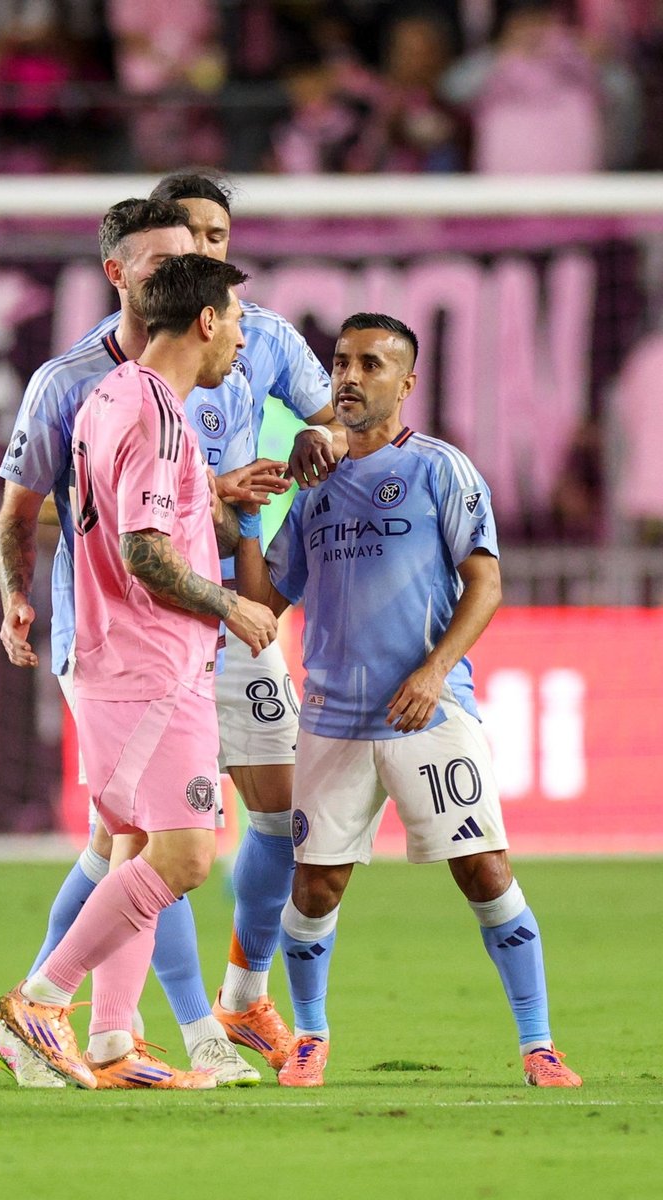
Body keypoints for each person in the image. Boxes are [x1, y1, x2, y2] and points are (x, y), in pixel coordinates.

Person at [237, 313, 582, 1089]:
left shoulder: (442, 469)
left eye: (369, 364)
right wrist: (257, 509)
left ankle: (539, 1043)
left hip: (429, 711)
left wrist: (433, 672)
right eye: (339, 363)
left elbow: (485, 583)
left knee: (485, 870)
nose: (349, 377)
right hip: (332, 718)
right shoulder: (315, 489)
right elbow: (265, 600)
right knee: (316, 884)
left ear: (406, 381)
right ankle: (310, 1037)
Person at [0, 197, 282, 1088]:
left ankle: (114, 1042)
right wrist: (232, 607)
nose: (241, 338)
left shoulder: (119, 396)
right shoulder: (153, 412)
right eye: (234, 319)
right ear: (204, 319)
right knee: (189, 853)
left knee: (129, 844)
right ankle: (39, 1005)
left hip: (122, 659)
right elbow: (144, 551)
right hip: (149, 662)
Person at [150, 171, 347, 1069]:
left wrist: (319, 441)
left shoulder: (262, 337)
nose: (208, 250)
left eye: (219, 235)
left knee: (279, 815)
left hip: (241, 603)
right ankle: (179, 1025)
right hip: (148, 608)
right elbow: (51, 499)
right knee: (143, 841)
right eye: (190, 235)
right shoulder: (110, 362)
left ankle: (241, 1000)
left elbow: (334, 425)